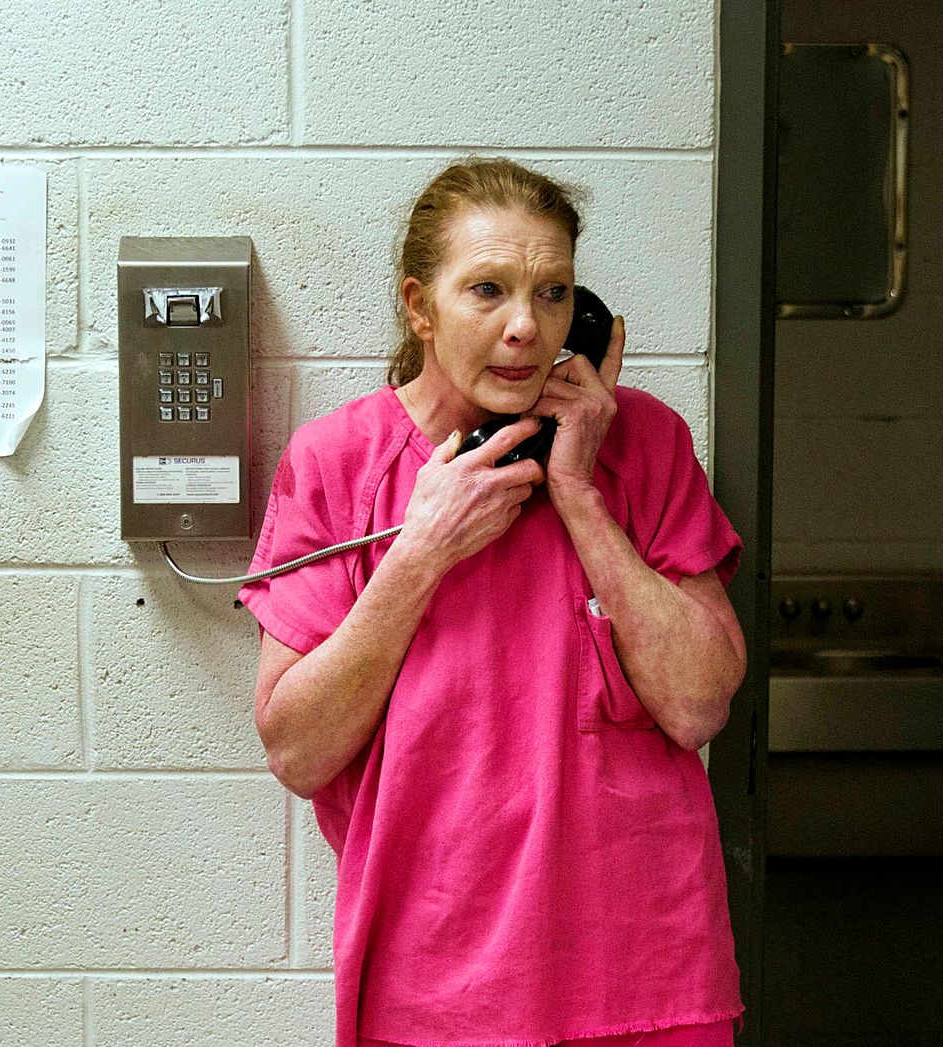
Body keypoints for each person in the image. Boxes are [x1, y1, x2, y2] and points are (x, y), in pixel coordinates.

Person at [238, 156, 747, 1047]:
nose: (526, 327)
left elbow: (700, 701)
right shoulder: (339, 462)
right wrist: (421, 551)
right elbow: (297, 747)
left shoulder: (645, 443)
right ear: (419, 306)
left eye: (553, 294)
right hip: (437, 984)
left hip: (647, 971)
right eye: (488, 290)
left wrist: (582, 494)